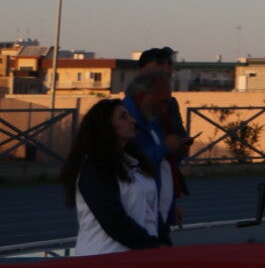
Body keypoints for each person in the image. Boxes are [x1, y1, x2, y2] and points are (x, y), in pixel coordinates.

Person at [61, 97, 173, 256]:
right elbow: (113, 220)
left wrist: (163, 241)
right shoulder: (95, 168)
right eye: (123, 117)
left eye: (129, 116)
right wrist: (152, 245)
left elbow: (151, 211)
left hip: (138, 255)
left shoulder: (135, 165)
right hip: (104, 257)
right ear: (105, 126)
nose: (132, 121)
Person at [130, 47, 195, 208]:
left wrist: (181, 147)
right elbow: (135, 158)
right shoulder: (131, 107)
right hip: (142, 189)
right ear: (142, 69)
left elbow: (178, 135)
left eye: (169, 63)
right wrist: (165, 147)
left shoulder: (170, 104)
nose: (166, 68)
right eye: (160, 63)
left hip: (165, 184)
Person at [121, 71, 182, 226]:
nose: (164, 109)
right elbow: (133, 163)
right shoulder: (127, 126)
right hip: (141, 217)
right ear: (141, 97)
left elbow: (162, 167)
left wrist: (170, 208)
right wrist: (165, 148)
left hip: (156, 213)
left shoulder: (149, 119)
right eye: (162, 102)